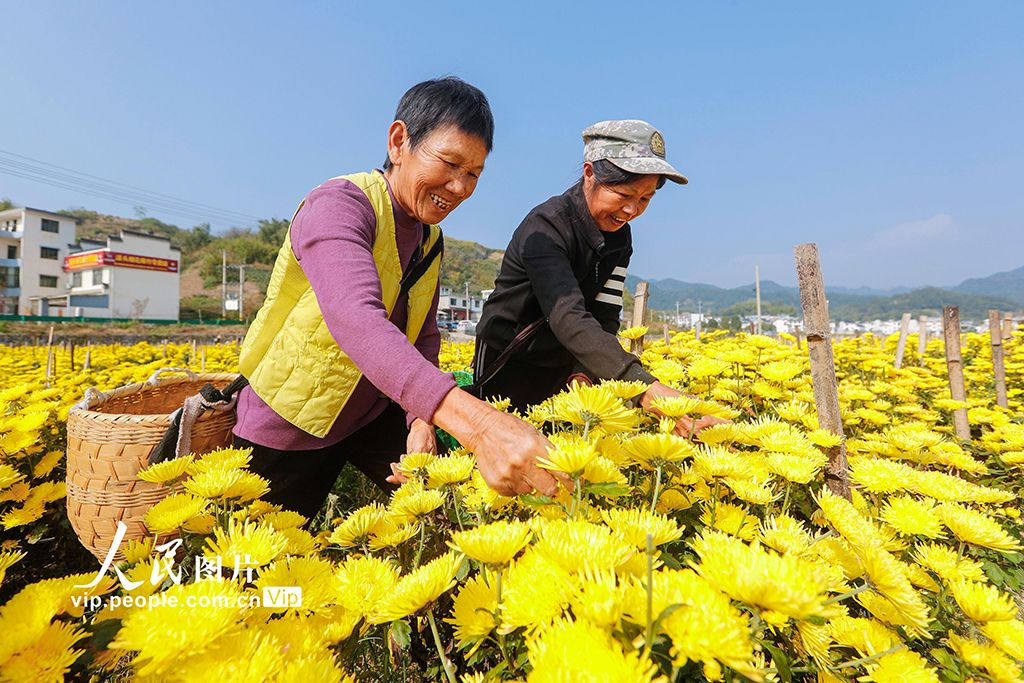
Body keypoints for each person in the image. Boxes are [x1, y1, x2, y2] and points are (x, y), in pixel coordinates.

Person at [233, 78, 566, 521]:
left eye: (473, 174)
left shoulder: (430, 239)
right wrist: (481, 426)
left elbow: (424, 338)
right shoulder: (339, 205)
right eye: (449, 163)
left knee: (452, 510)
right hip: (292, 422)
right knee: (253, 567)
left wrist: (420, 420)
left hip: (370, 413)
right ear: (398, 142)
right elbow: (356, 320)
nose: (460, 187)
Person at [475, 120, 726, 436]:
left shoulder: (620, 239)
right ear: (589, 173)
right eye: (624, 194)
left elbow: (605, 316)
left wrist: (584, 374)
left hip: (567, 363)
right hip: (510, 360)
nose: (631, 210)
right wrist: (646, 389)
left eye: (645, 199)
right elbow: (567, 315)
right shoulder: (546, 227)